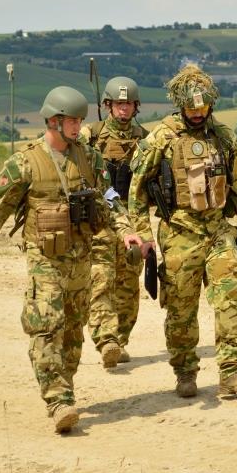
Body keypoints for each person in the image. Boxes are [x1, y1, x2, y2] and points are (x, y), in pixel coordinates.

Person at [0, 86, 139, 433]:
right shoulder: (24, 163)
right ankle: (57, 399)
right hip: (44, 260)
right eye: (71, 120)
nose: (77, 126)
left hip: (81, 260)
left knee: (74, 332)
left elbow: (108, 196)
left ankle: (66, 388)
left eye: (79, 120)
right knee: (46, 326)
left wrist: (126, 229)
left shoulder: (89, 158)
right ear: (53, 120)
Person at [125, 64, 237, 399]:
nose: (196, 114)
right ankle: (185, 371)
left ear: (210, 105)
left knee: (233, 299)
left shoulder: (223, 137)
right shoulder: (162, 138)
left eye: (202, 108)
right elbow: (136, 191)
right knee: (180, 309)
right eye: (191, 108)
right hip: (179, 232)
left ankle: (233, 374)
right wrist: (145, 237)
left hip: (219, 231)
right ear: (180, 105)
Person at [79, 76, 147, 368]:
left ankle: (120, 339)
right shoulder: (90, 135)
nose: (123, 109)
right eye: (118, 104)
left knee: (129, 287)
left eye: (128, 103)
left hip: (132, 221)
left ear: (135, 106)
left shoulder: (145, 138)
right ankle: (106, 339)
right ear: (107, 104)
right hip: (100, 222)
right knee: (100, 281)